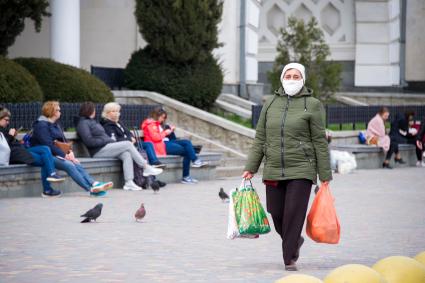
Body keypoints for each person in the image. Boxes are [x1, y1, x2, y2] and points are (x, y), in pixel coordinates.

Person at [242, 63, 332, 271]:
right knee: (277, 214)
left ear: (303, 79)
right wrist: (251, 167)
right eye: (288, 75)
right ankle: (294, 241)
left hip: (302, 168)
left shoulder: (313, 104)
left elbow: (319, 140)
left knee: (293, 213)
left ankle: (288, 258)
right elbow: (260, 138)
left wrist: (324, 174)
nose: (292, 79)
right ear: (282, 78)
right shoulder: (270, 103)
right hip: (274, 167)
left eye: (296, 76)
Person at [30, 101, 113, 197]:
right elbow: (47, 145)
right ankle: (90, 189)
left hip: (57, 154)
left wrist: (70, 153)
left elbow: (64, 142)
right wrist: (65, 155)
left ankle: (93, 184)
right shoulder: (41, 125)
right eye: (58, 110)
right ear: (52, 111)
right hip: (47, 155)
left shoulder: (56, 124)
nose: (60, 112)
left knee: (75, 162)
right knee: (69, 165)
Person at [76, 102, 163, 191]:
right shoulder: (83, 123)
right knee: (128, 144)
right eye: (93, 109)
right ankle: (145, 166)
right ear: (89, 110)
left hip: (106, 147)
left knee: (126, 154)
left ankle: (129, 182)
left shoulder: (92, 122)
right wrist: (105, 140)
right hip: (98, 151)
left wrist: (106, 140)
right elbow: (89, 141)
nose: (95, 111)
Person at [0, 106, 65, 197]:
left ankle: (51, 176)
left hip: (21, 149)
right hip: (16, 154)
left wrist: (15, 138)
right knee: (45, 160)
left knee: (45, 149)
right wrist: (10, 136)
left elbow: (10, 142)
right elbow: (4, 147)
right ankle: (48, 189)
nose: (8, 122)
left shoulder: (4, 129)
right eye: (6, 120)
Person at [100, 102, 167, 187]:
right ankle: (147, 168)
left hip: (129, 145)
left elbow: (129, 133)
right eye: (113, 111)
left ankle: (134, 180)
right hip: (118, 147)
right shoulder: (107, 125)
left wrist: (131, 138)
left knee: (148, 145)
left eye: (117, 111)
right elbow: (114, 139)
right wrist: (129, 140)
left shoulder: (119, 122)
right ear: (107, 113)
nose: (117, 113)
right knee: (136, 151)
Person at [141, 107, 207, 184]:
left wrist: (170, 130)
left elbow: (163, 136)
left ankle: (195, 161)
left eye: (164, 118)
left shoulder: (157, 124)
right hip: (160, 146)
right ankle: (187, 174)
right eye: (162, 117)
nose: (163, 119)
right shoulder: (150, 124)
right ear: (156, 115)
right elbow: (156, 138)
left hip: (165, 143)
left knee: (187, 142)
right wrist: (166, 132)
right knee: (188, 151)